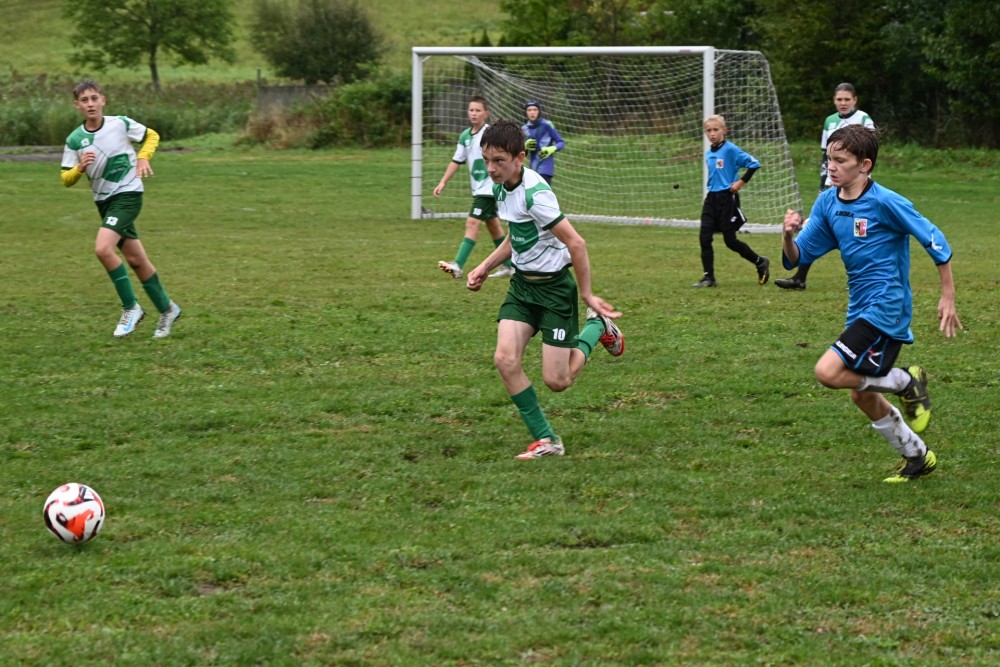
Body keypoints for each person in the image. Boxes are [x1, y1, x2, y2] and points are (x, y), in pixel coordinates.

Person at [781, 124, 961, 483]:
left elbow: (934, 238)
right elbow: (797, 257)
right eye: (829, 159)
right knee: (861, 394)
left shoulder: (885, 202)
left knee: (827, 372)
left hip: (886, 306)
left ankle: (905, 380)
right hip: (860, 308)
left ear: (864, 165)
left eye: (840, 160)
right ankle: (917, 457)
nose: (831, 167)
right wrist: (787, 235)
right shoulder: (828, 203)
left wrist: (948, 295)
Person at [465, 119, 624, 460]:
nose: (491, 168)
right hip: (522, 288)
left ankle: (597, 326)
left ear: (519, 158)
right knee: (505, 359)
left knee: (558, 381)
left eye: (499, 161)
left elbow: (577, 243)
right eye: (486, 160)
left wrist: (587, 294)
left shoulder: (536, 195)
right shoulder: (500, 187)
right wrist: (484, 266)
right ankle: (547, 439)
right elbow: (517, 236)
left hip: (554, 292)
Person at [61, 79, 182, 339]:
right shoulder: (74, 140)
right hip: (104, 203)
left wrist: (143, 157)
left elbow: (151, 135)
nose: (91, 104)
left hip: (128, 195)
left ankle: (131, 308)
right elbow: (65, 179)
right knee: (136, 261)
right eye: (84, 100)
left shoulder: (120, 124)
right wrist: (79, 169)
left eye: (94, 98)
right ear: (77, 105)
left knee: (103, 249)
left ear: (103, 100)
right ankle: (168, 309)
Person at [776, 83, 875, 291]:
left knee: (857, 234)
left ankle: (862, 279)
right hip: (832, 188)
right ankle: (800, 278)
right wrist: (824, 184)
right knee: (815, 229)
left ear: (855, 100)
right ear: (834, 100)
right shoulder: (830, 121)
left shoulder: (864, 119)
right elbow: (825, 156)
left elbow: (870, 153)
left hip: (857, 191)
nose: (843, 103)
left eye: (847, 99)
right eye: (839, 99)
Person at [435, 96, 513, 280]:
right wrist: (443, 182)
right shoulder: (465, 136)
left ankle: (458, 265)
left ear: (486, 113)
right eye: (471, 110)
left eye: (478, 110)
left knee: (472, 223)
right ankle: (510, 266)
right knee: (493, 226)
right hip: (479, 188)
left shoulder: (490, 134)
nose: (474, 113)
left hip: (489, 189)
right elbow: (456, 160)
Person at [691, 115, 770, 288]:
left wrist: (740, 182)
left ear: (724, 131)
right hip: (711, 198)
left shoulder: (730, 150)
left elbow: (754, 164)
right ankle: (709, 278)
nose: (712, 134)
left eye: (715, 130)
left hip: (727, 198)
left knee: (730, 241)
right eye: (708, 130)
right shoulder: (709, 153)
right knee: (704, 237)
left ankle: (760, 262)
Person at [521, 100, 565, 185]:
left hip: (546, 169)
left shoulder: (547, 124)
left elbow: (561, 142)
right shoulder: (524, 129)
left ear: (539, 111)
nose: (532, 112)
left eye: (535, 109)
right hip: (533, 170)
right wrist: (524, 147)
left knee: (544, 192)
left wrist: (551, 149)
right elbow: (521, 153)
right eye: (529, 110)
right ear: (525, 112)